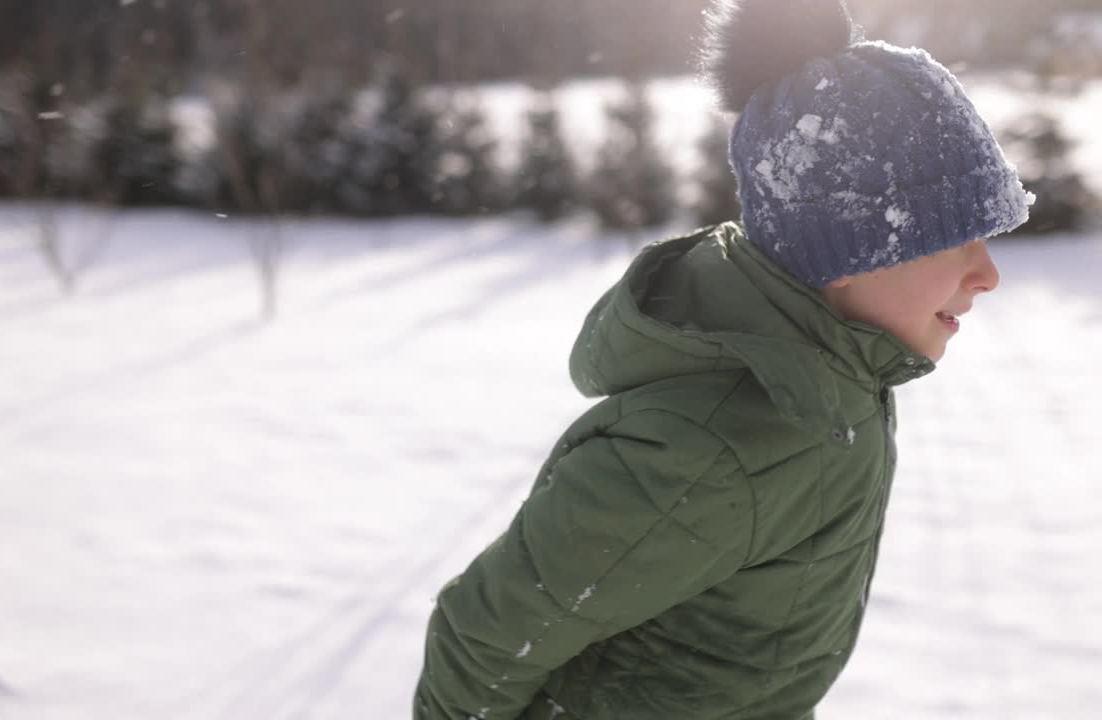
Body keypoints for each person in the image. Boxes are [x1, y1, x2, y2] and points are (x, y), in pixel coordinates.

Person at [414, 0, 1032, 717]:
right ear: (849, 250)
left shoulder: (835, 369)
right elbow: (488, 634)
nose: (987, 275)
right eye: (957, 239)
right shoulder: (709, 449)